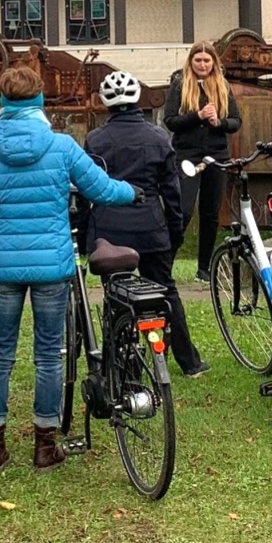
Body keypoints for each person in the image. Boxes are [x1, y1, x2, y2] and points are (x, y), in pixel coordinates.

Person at [0, 64, 140, 472]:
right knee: (48, 355)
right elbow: (100, 188)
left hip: (4, 268)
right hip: (51, 266)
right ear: (40, 99)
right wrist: (132, 192)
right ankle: (45, 445)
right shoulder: (61, 146)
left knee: (0, 353)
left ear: (3, 103)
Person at [82, 70, 209, 378]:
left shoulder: (95, 140)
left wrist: (85, 233)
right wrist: (174, 231)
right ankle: (189, 362)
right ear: (138, 98)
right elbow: (172, 192)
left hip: (109, 233)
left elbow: (88, 191)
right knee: (166, 292)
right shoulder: (159, 138)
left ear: (105, 102)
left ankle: (123, 367)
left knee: (115, 297)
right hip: (150, 229)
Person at [165, 41, 243, 284]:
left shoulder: (223, 86)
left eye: (206, 61)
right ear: (191, 62)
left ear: (213, 63)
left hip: (216, 155)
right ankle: (166, 265)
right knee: (183, 210)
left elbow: (236, 121)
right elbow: (170, 120)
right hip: (187, 155)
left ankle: (204, 268)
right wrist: (195, 116)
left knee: (210, 213)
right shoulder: (180, 85)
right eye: (198, 60)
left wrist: (218, 122)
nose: (202, 65)